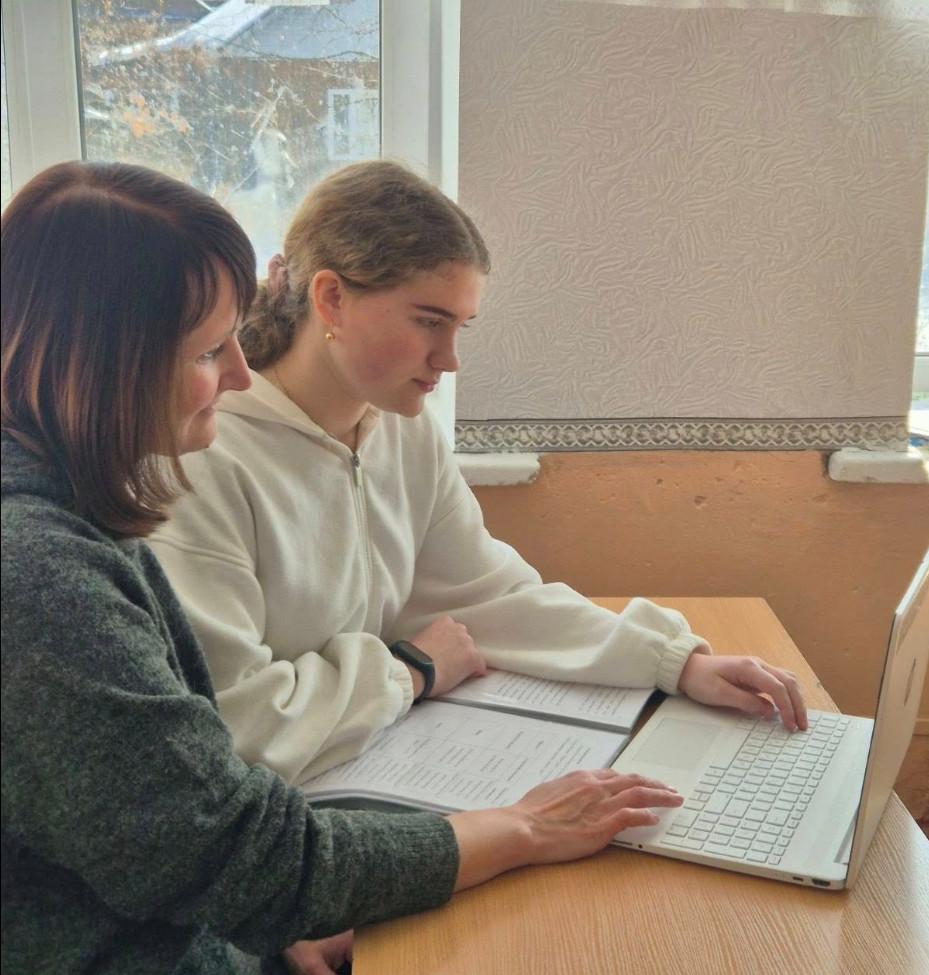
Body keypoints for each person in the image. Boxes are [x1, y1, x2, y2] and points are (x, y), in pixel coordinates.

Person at [0, 161, 687, 975]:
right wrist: (517, 823)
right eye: (208, 349)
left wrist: (669, 658)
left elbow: (170, 835)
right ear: (104, 358)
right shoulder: (42, 571)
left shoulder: (73, 518)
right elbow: (231, 841)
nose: (237, 374)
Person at [149, 160, 807, 791]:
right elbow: (235, 724)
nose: (450, 359)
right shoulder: (201, 455)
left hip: (370, 762)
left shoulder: (400, 430)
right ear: (331, 298)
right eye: (429, 322)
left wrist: (675, 661)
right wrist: (410, 670)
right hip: (273, 819)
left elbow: (489, 595)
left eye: (460, 326)